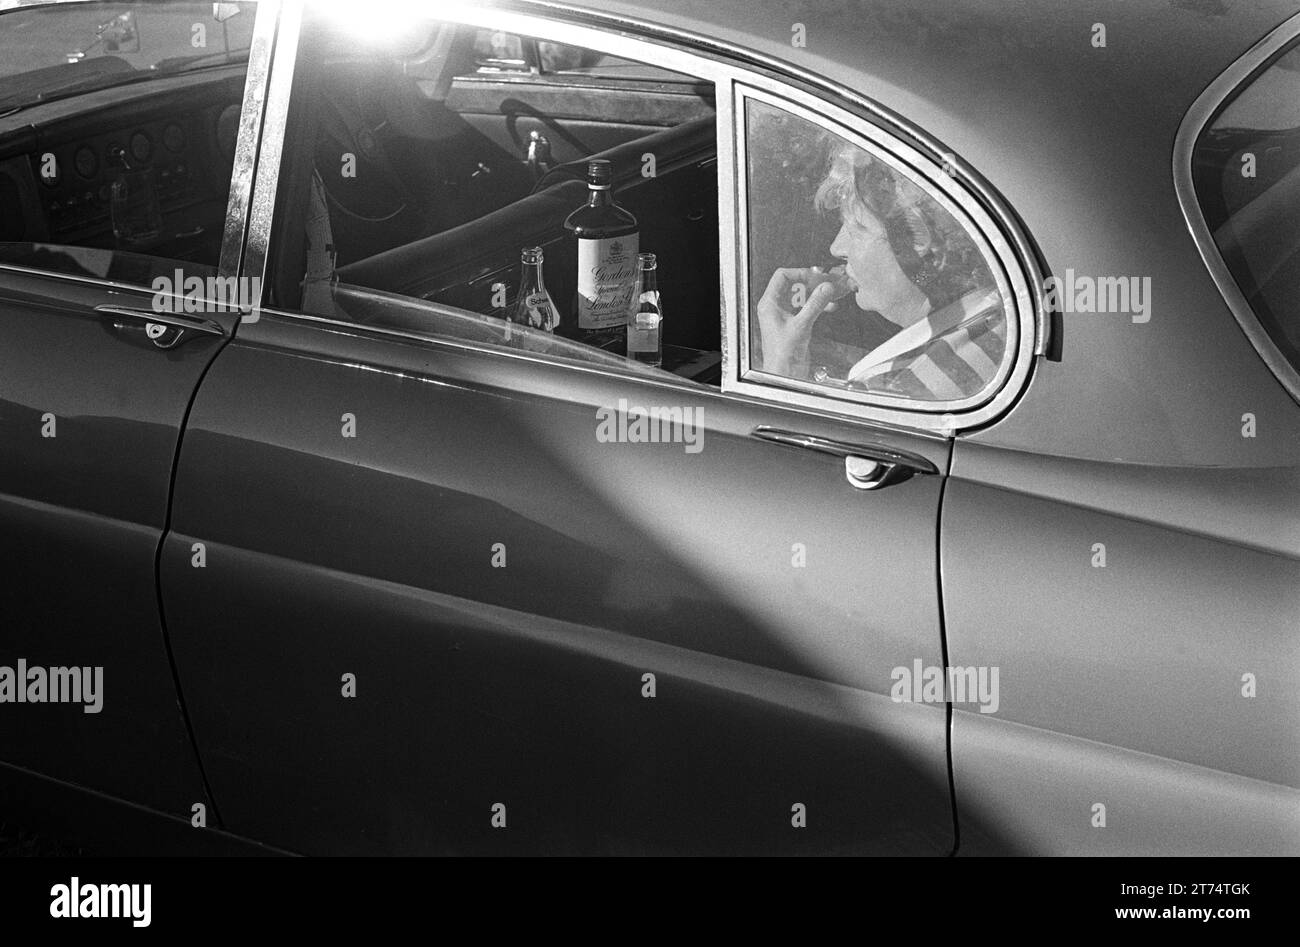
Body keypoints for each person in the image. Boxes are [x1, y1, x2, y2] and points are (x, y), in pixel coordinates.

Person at [756, 141, 1006, 401]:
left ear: (915, 240)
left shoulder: (900, 388)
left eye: (853, 227)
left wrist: (781, 368)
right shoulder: (995, 320)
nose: (835, 247)